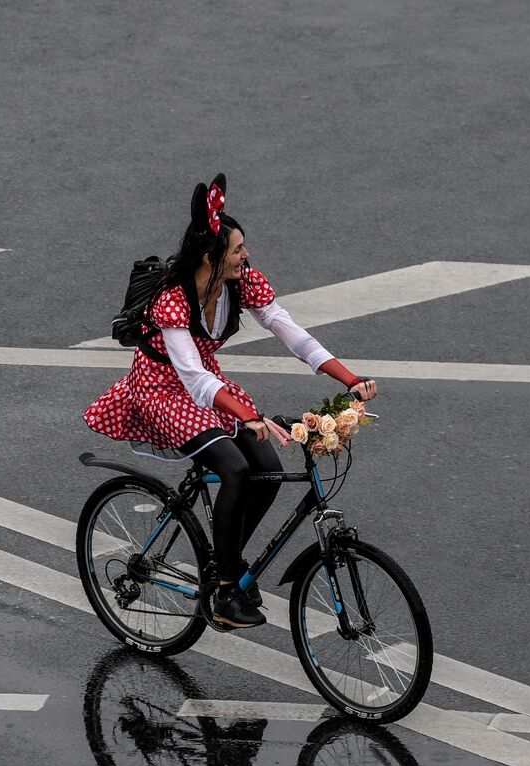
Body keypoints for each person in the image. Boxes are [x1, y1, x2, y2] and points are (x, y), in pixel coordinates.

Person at [84, 174, 378, 629]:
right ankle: (224, 590)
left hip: (209, 387)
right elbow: (190, 375)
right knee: (235, 469)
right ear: (211, 256)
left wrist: (348, 376)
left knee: (268, 470)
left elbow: (287, 329)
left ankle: (231, 562)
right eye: (238, 249)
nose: (247, 255)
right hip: (161, 391)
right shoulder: (172, 299)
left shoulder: (240, 284)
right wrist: (247, 415)